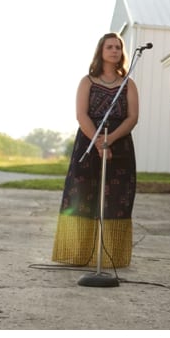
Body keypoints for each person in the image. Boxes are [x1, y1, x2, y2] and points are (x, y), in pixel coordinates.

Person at [52, 32, 139, 268]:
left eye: (118, 47)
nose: (114, 51)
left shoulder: (128, 84)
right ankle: (78, 253)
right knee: (81, 195)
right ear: (101, 51)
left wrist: (110, 140)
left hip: (120, 143)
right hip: (88, 142)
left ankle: (112, 256)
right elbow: (81, 115)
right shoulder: (87, 81)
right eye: (109, 47)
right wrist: (99, 142)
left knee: (117, 198)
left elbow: (132, 118)